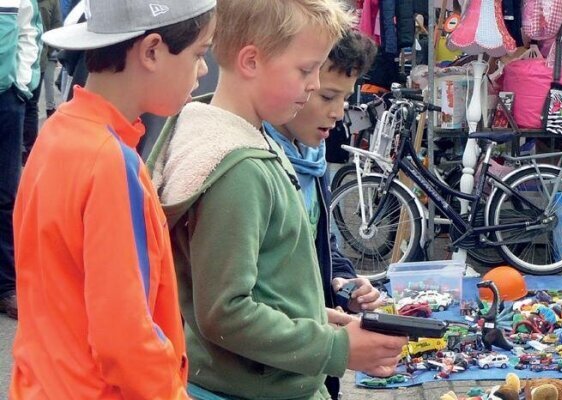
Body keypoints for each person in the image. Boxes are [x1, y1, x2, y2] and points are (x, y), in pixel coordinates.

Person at [146, 1, 406, 398]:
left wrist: (311, 317)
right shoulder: (239, 168)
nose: (316, 84)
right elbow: (225, 313)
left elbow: (253, 285)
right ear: (251, 61)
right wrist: (336, 348)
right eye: (306, 70)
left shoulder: (227, 134)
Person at [9, 0, 215, 397]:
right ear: (152, 51)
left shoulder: (57, 133)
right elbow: (125, 336)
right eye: (199, 54)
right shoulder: (110, 162)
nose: (203, 70)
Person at [261, 30, 379, 400]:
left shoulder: (311, 159)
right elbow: (231, 306)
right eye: (327, 95)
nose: (339, 111)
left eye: (346, 97)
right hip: (269, 375)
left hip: (309, 365)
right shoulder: (255, 166)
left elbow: (320, 245)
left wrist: (344, 285)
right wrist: (335, 347)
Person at [0, 0, 42, 320]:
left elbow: (31, 33)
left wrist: (20, 85)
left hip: (6, 101)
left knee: (5, 194)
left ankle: (5, 286)